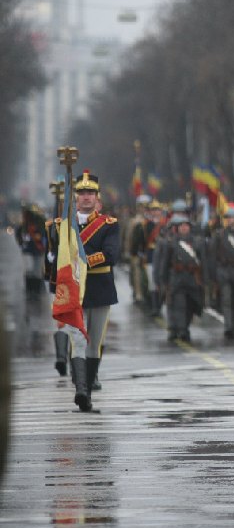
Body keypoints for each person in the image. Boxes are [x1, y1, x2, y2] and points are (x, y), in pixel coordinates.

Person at [48, 171, 120, 412]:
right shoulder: (61, 226)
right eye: (81, 193)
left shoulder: (109, 225)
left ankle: (87, 389)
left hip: (99, 288)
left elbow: (111, 255)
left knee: (94, 343)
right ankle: (80, 391)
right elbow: (54, 260)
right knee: (77, 340)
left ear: (97, 198)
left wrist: (82, 260)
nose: (86, 197)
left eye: (90, 193)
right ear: (75, 197)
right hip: (74, 290)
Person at [158, 214, 206, 342]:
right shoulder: (171, 243)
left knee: (191, 305)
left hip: (193, 278)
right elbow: (165, 263)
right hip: (177, 278)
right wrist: (164, 280)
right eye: (181, 226)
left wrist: (205, 280)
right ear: (177, 228)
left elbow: (203, 262)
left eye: (186, 226)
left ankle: (185, 327)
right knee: (179, 305)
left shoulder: (197, 242)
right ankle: (181, 330)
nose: (184, 228)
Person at [209, 206, 234, 340]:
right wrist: (213, 276)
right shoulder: (219, 235)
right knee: (226, 300)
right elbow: (213, 257)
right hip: (224, 271)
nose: (230, 220)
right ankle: (229, 327)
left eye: (232, 218)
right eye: (228, 218)